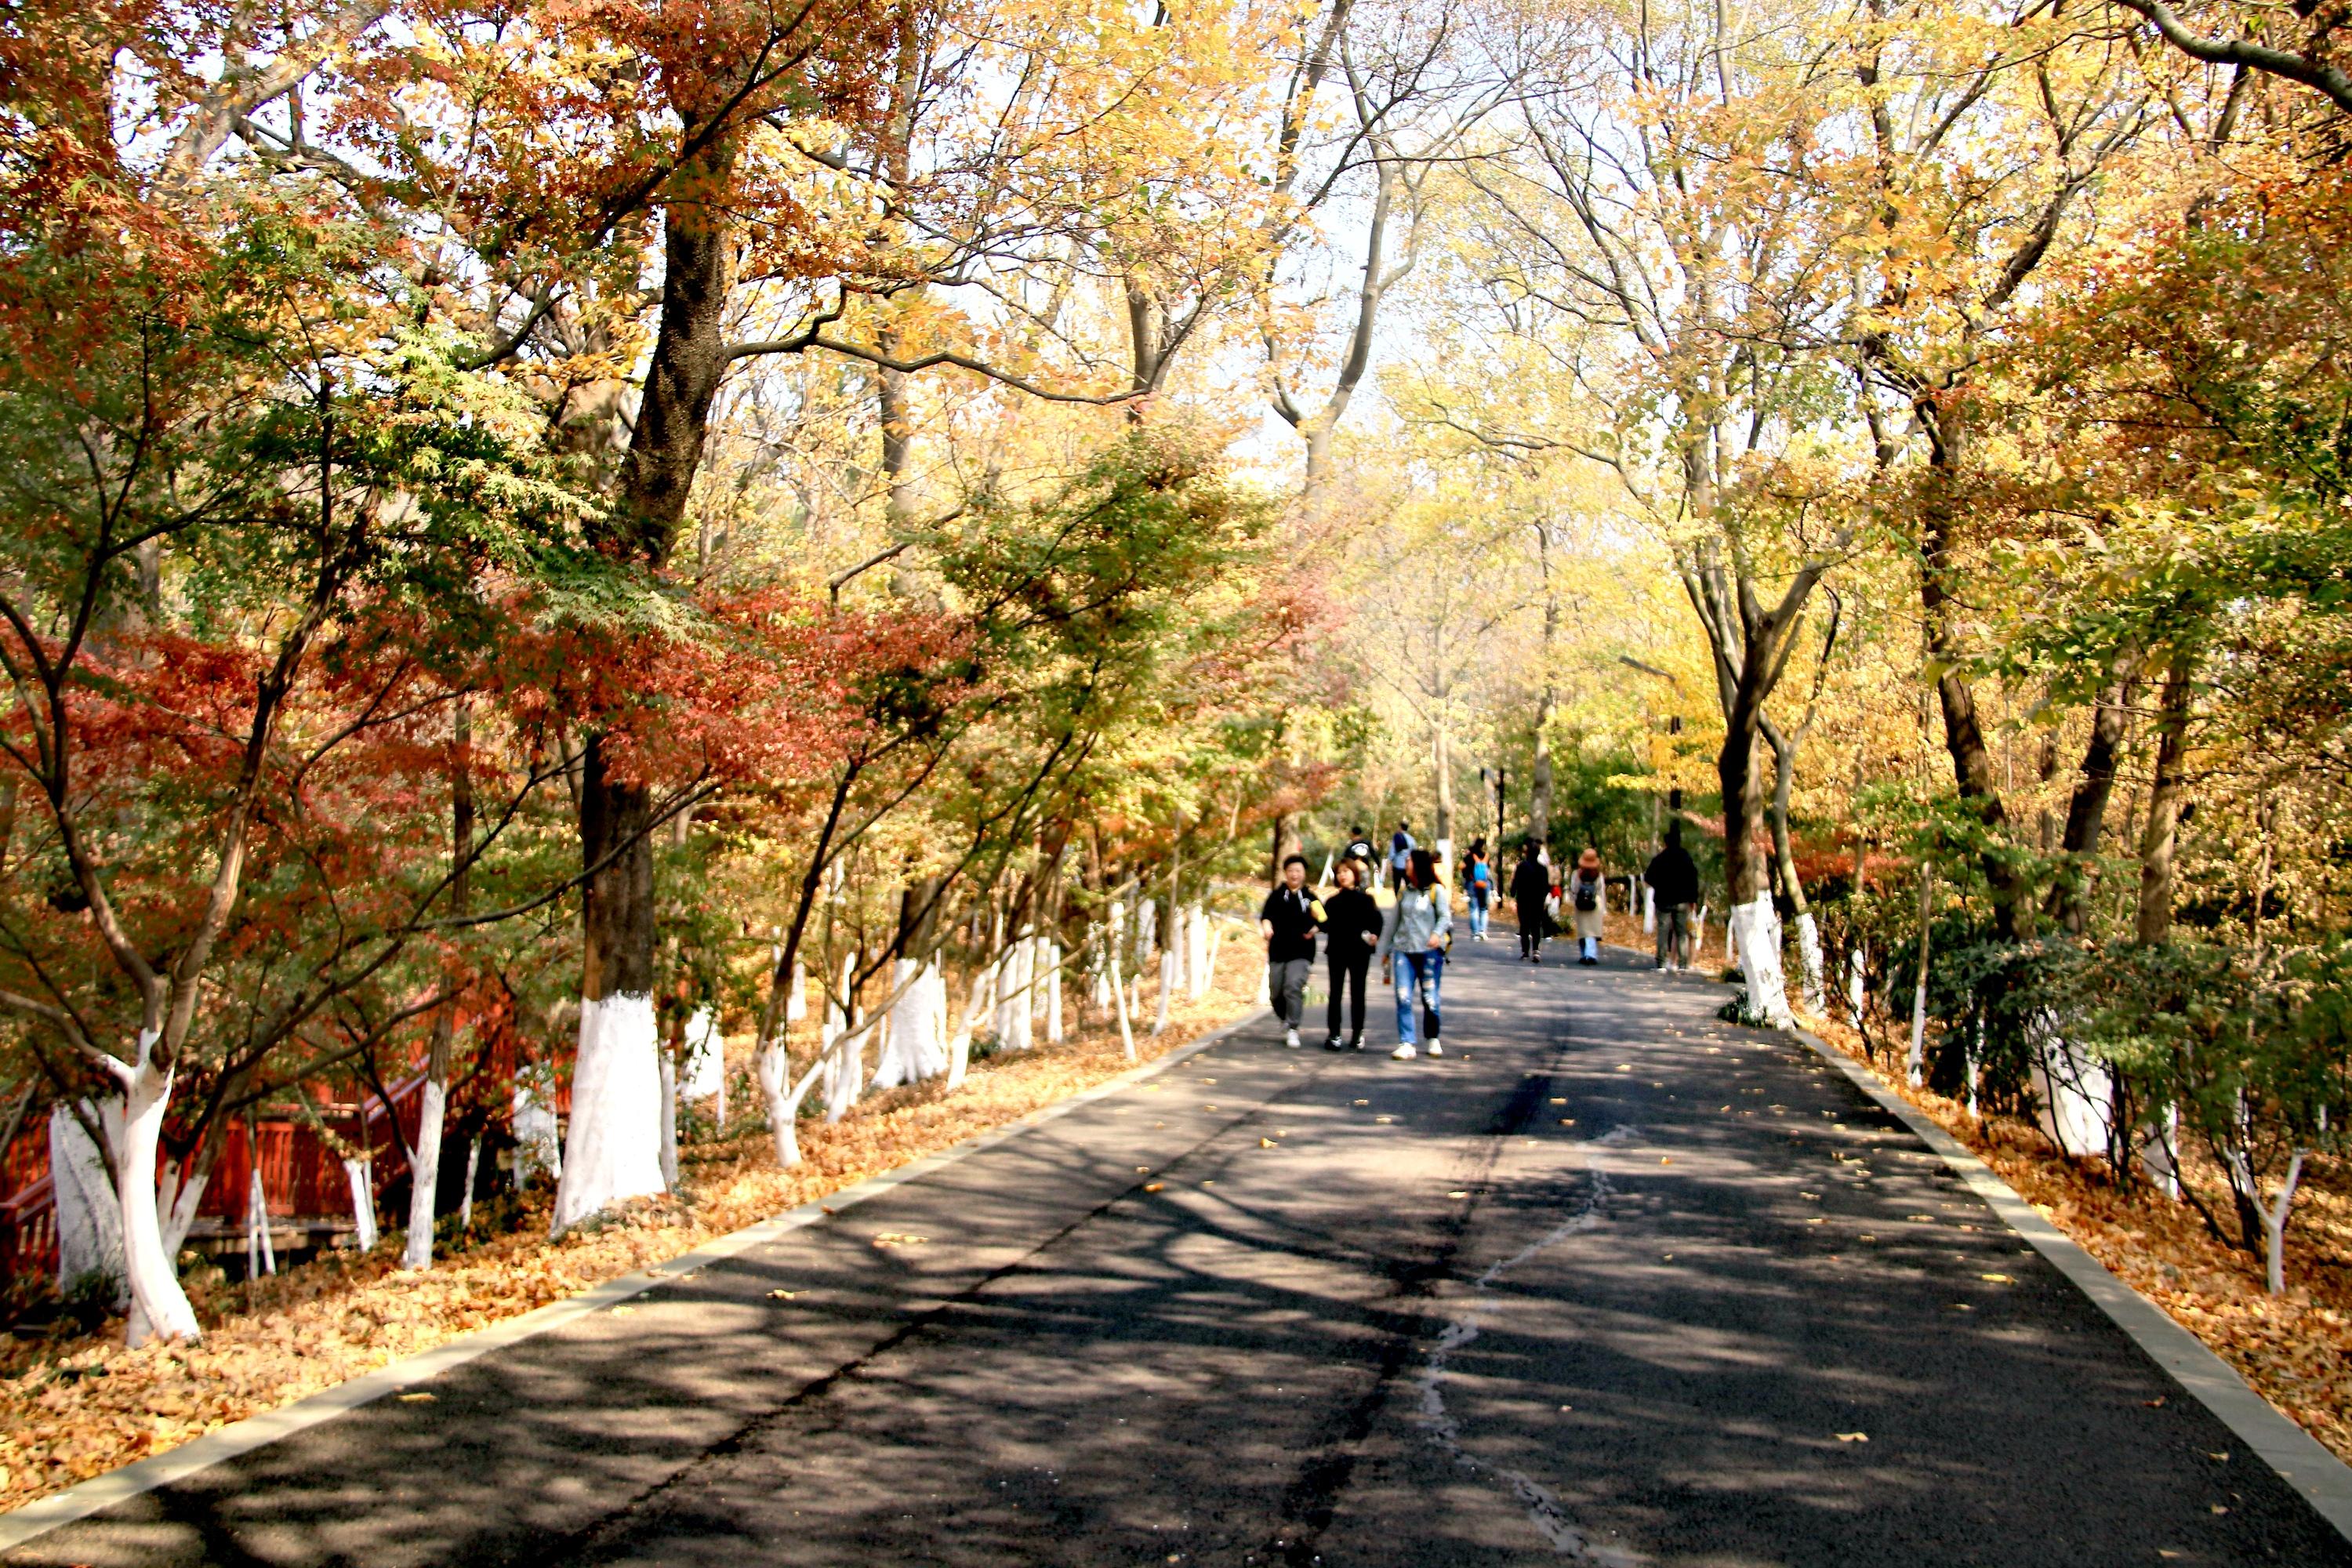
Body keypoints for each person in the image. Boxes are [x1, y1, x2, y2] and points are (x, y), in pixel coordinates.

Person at [1377, 848, 1450, 1059]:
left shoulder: (1436, 891)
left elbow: (1445, 917)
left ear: (1417, 865)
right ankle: (1407, 1042)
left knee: (1430, 998)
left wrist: (1437, 934)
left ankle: (1433, 1037)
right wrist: (1386, 949)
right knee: (1403, 997)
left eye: (1408, 861)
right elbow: (1394, 922)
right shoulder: (1403, 892)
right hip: (1404, 951)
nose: (1405, 864)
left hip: (1429, 952)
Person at [1259, 855, 1323, 1047]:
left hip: (1301, 951)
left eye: (1298, 871)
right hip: (1278, 950)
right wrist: (1266, 927)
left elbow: (1324, 920)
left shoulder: (1310, 898)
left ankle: (1293, 1028)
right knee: (1275, 993)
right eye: (1291, 871)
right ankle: (1286, 1019)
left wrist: (1315, 928)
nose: (1295, 874)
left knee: (1293, 986)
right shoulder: (1277, 895)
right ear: (1286, 873)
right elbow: (1266, 916)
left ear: (1303, 874)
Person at [1319, 859, 1381, 1050]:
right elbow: (1325, 925)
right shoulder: (1332, 901)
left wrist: (1373, 936)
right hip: (1337, 951)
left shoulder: (1366, 900)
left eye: (1346, 871)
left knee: (1358, 993)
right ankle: (1334, 1034)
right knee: (1335, 993)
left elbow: (1376, 922)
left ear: (1355, 874)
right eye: (1339, 872)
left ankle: (1357, 1034)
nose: (1343, 875)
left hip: (1359, 952)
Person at [1644, 822, 1700, 971]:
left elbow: (1648, 879)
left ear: (1666, 842)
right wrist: (1693, 899)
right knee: (1681, 932)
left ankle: (1661, 962)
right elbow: (1693, 879)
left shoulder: (1660, 859)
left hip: (1663, 900)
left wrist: (1660, 885)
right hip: (1682, 901)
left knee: (1663, 930)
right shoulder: (1686, 858)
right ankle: (1683, 964)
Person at [1509, 840, 1551, 963]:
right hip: (1537, 901)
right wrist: (1543, 897)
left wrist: (1513, 893)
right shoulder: (1542, 869)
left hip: (1523, 901)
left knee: (1524, 926)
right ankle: (1536, 951)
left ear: (1527, 853)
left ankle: (1525, 951)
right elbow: (1546, 887)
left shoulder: (1521, 867)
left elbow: (1515, 883)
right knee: (1536, 926)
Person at [1568, 846, 1607, 965]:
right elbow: (1601, 891)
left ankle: (1585, 954)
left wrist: (1573, 899)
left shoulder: (1576, 874)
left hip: (1580, 903)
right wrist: (1604, 908)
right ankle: (1590, 954)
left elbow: (1573, 890)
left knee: (1583, 931)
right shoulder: (1598, 876)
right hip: (1595, 904)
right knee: (1592, 932)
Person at [1465, 844, 1494, 940]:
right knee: (1484, 909)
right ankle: (1483, 930)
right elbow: (1489, 873)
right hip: (1485, 885)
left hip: (1473, 884)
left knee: (1474, 909)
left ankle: (1475, 933)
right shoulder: (1486, 856)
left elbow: (1464, 871)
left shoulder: (1469, 857)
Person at [1388, 820, 1415, 886]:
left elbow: (1392, 851)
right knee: (1408, 884)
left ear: (1400, 827)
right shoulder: (1411, 839)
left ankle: (1397, 895)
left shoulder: (1397, 837)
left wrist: (1390, 861)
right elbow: (1414, 852)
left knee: (1397, 884)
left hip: (1398, 864)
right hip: (1407, 866)